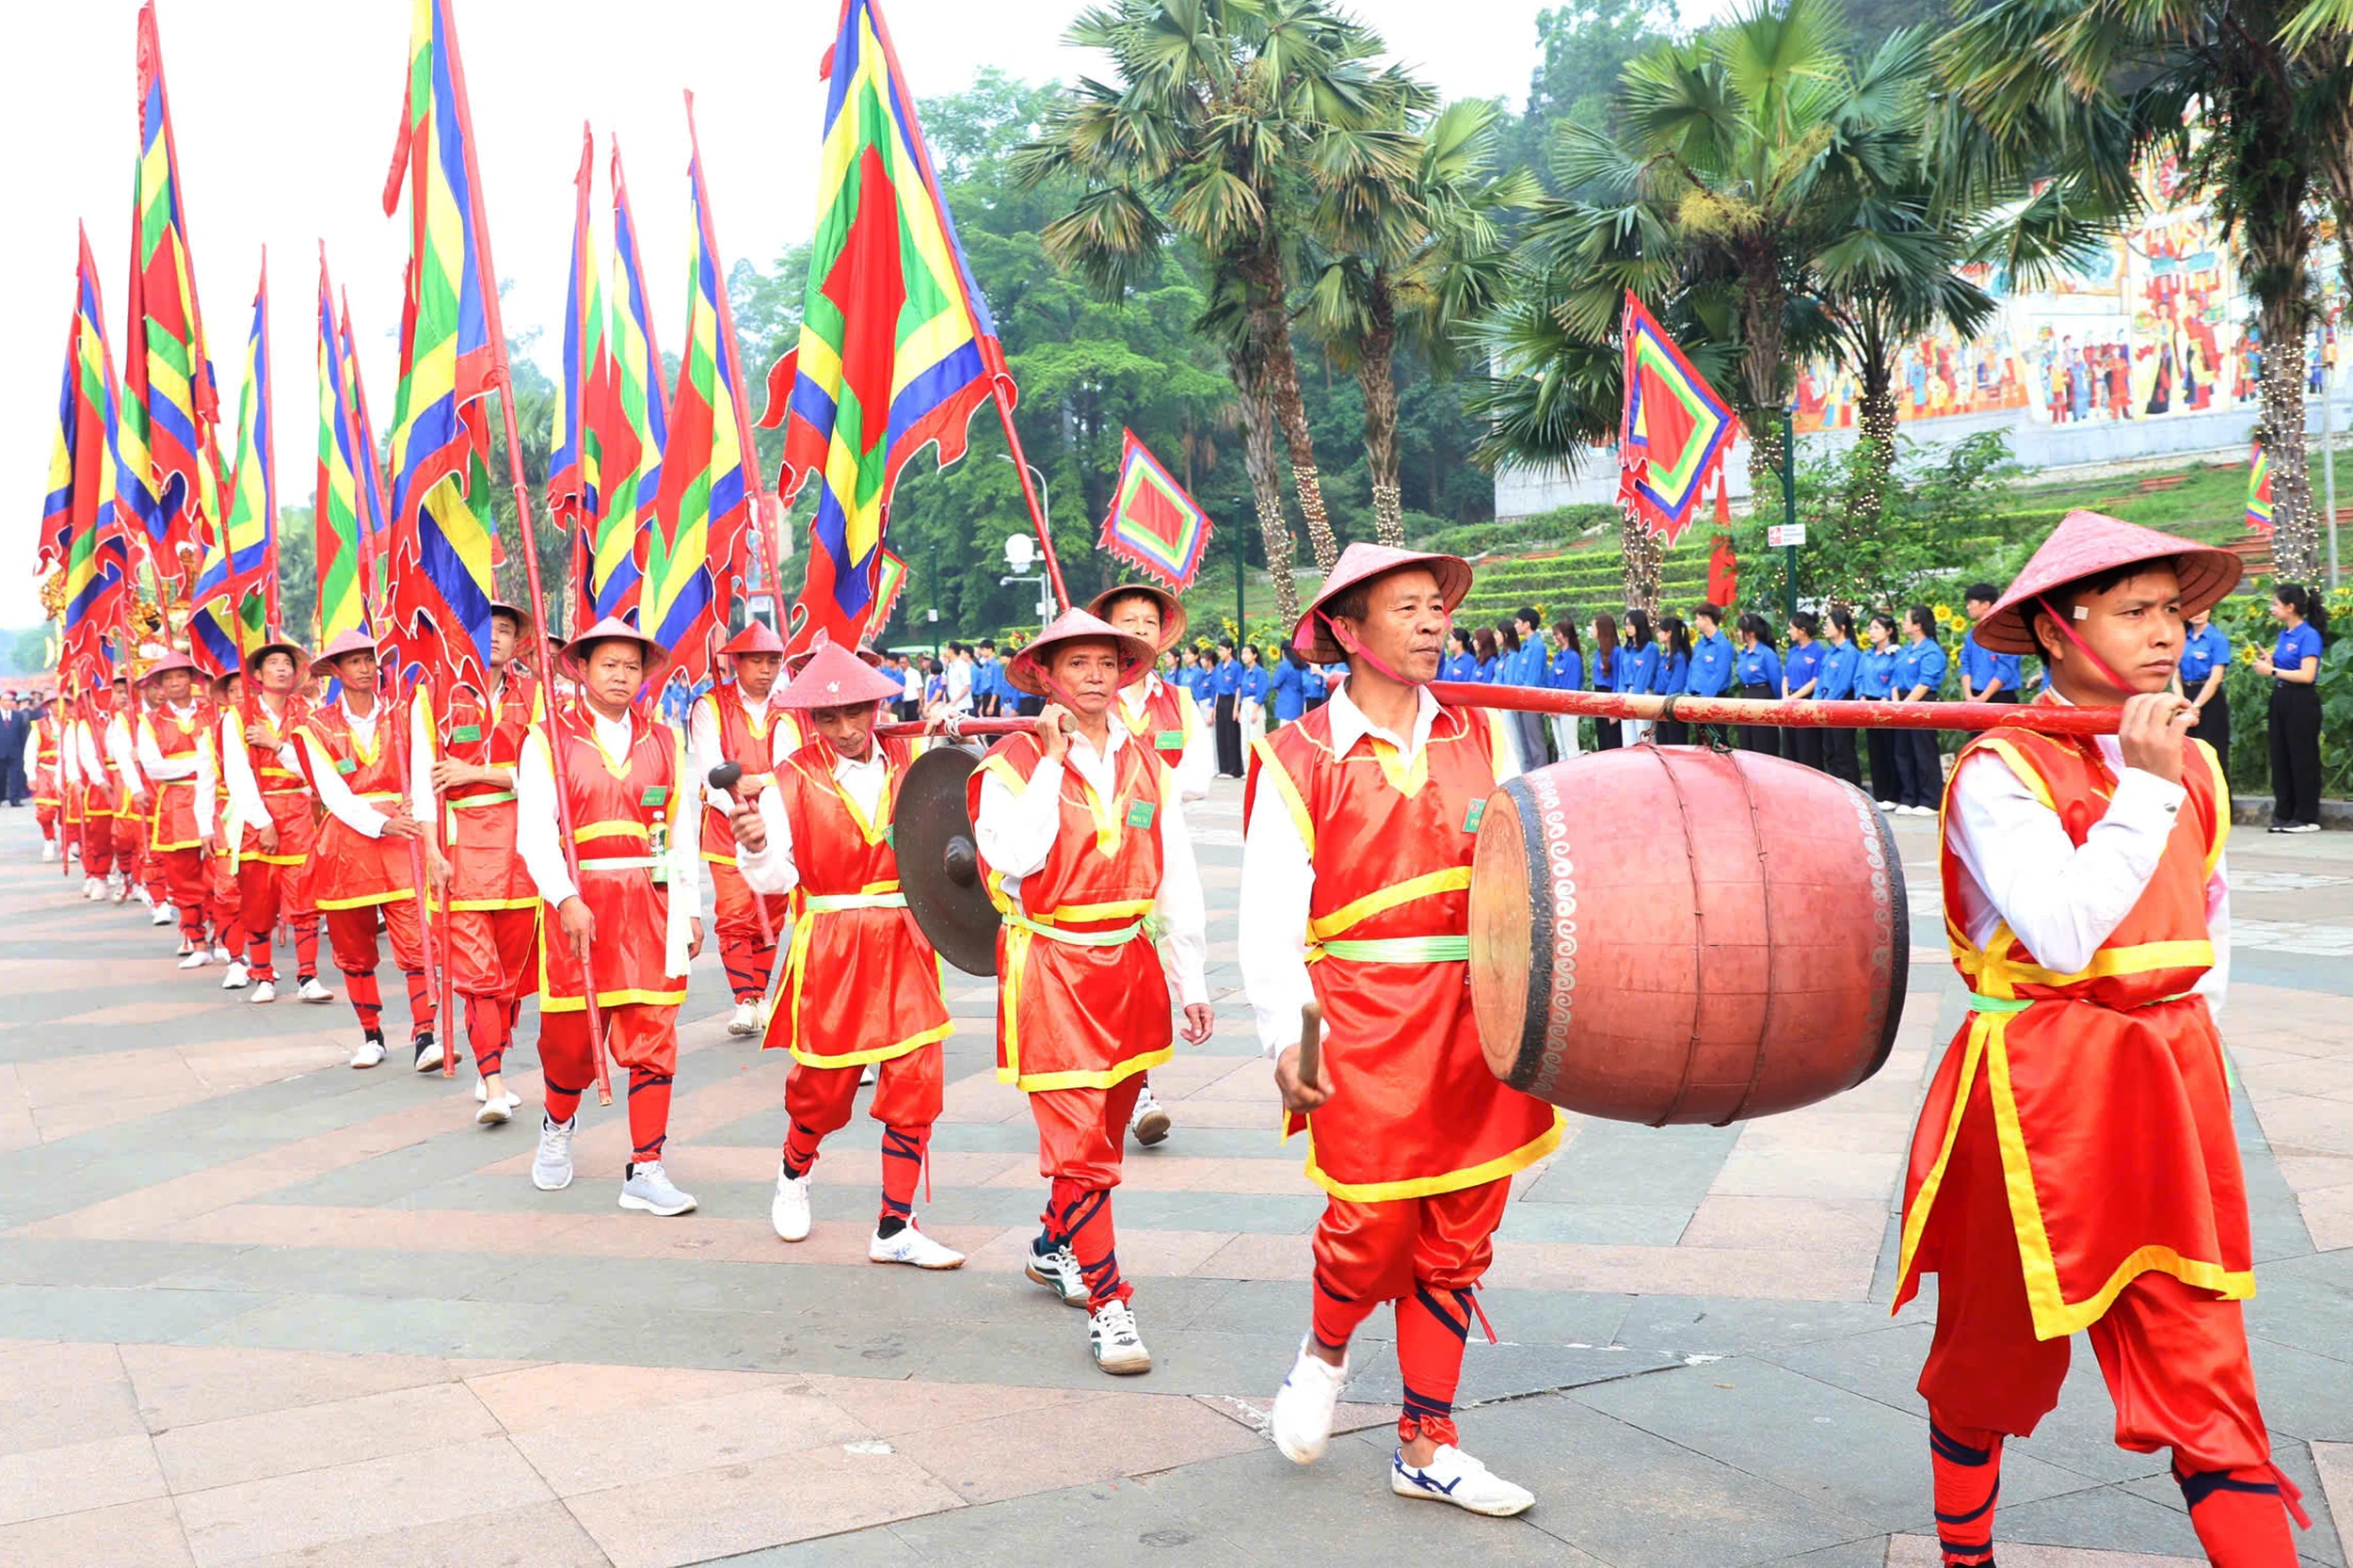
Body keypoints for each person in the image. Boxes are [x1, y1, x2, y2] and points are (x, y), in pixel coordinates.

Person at [1894, 510, 2313, 1567]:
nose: (2166, 632)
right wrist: (2146, 786)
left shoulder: (2194, 768)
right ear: (2054, 630)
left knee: (2205, 1370)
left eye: (2173, 608)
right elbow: (2068, 930)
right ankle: (1965, 1557)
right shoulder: (2002, 770)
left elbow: (2204, 936)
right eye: (2133, 611)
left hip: (2162, 1085)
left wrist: (2183, 1056)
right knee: (1988, 1352)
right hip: (2027, 1093)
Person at [1243, 543, 1558, 1518]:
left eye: (1437, 607)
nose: (1431, 623)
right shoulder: (1296, 757)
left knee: (1460, 1231)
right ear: (1346, 628)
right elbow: (1267, 919)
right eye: (1407, 607)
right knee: (1370, 1228)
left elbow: (1542, 866)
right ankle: (1324, 1355)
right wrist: (1285, 1041)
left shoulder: (1489, 735)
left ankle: (1427, 1439)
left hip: (1478, 1020)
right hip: (1361, 1023)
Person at [968, 609, 1212, 1375]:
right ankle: (1110, 1306)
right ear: (1045, 675)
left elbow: (1175, 872)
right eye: (1077, 664)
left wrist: (1191, 975)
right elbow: (1016, 854)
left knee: (1104, 1139)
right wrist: (1048, 760)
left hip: (1131, 967)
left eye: (1108, 662)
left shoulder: (1146, 760)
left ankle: (1053, 1245)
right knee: (1079, 1152)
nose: (1096, 677)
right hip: (1053, 968)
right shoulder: (1005, 765)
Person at [726, 643, 965, 1268]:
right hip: (831, 942)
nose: (846, 730)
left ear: (879, 704)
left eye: (857, 712)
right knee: (824, 1092)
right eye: (828, 719)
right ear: (809, 719)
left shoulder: (918, 761)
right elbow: (777, 878)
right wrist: (752, 848)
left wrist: (963, 742)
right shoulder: (788, 778)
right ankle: (793, 1172)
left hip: (905, 938)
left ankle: (895, 1226)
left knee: (916, 1083)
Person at [519, 616, 705, 1215]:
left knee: (654, 1037)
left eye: (631, 666)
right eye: (609, 665)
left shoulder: (666, 740)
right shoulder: (548, 737)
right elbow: (534, 834)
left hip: (650, 905)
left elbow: (684, 831)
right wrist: (564, 896)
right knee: (572, 1045)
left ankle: (646, 1167)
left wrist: (689, 907)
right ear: (582, 668)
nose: (621, 676)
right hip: (581, 907)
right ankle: (557, 1123)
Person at [1091, 583, 1209, 1150]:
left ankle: (1135, 1088)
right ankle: (1124, 1092)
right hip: (1097, 854)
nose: (1138, 629)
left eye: (1146, 621)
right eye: (1127, 620)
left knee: (1152, 970)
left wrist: (1146, 792)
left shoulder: (1180, 701)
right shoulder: (1086, 699)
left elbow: (1197, 778)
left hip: (1162, 845)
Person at [289, 631, 438, 1069]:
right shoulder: (313, 728)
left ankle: (425, 1034)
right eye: (353, 662)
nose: (365, 668)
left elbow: (421, 767)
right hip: (348, 845)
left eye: (371, 660)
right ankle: (371, 1035)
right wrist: (381, 822)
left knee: (415, 941)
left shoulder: (405, 711)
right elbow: (332, 794)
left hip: (401, 839)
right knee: (352, 946)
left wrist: (414, 811)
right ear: (335, 671)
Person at [419, 603, 541, 1124]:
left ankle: (490, 1052)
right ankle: (494, 1083)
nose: (494, 638)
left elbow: (542, 776)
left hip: (521, 850)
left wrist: (479, 772)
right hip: (461, 851)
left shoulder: (536, 698)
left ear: (518, 641)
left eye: (505, 630)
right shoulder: (433, 697)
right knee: (479, 976)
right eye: (484, 629)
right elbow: (423, 781)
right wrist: (430, 851)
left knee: (511, 979)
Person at [689, 621, 800, 1035]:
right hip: (726, 826)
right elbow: (709, 772)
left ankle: (760, 993)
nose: (766, 670)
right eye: (757, 661)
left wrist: (762, 787)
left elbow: (792, 768)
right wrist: (738, 804)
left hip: (777, 824)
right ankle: (745, 998)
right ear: (737, 662)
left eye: (773, 660)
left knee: (771, 911)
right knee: (735, 914)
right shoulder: (709, 706)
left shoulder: (790, 708)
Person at [218, 636, 332, 1006]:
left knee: (304, 897)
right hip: (258, 813)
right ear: (257, 673)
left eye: (287, 663)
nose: (282, 668)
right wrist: (261, 820)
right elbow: (237, 774)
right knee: (258, 900)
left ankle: (308, 976)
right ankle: (263, 975)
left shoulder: (308, 715)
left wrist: (275, 745)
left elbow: (314, 767)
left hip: (299, 812)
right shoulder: (237, 717)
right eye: (273, 663)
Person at [132, 652, 223, 965]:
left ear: (192, 679)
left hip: (213, 800)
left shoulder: (214, 713)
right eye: (167, 679)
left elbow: (223, 755)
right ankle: (195, 940)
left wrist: (193, 766)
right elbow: (154, 767)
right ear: (160, 685)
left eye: (180, 676)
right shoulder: (150, 722)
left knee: (218, 872)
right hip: (175, 804)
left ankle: (222, 934)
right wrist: (200, 763)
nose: (174, 683)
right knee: (183, 876)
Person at [2256, 584, 2328, 833]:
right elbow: (2287, 664)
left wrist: (2273, 671)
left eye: (2275, 604)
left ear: (2291, 607)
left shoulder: (2309, 635)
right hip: (2281, 697)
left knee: (2302, 757)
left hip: (2301, 700)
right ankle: (2284, 813)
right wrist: (2271, 661)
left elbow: (2307, 675)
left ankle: (2306, 816)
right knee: (2281, 754)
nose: (2271, 608)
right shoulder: (2285, 634)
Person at [1890, 606, 1949, 814]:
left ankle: (1930, 800)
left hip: (1922, 702)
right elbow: (1895, 678)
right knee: (1903, 751)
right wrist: (1897, 702)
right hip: (1902, 702)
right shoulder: (1906, 649)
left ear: (1918, 625)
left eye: (1906, 620)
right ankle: (1909, 797)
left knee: (1923, 751)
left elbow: (1925, 682)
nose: (1903, 623)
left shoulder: (1931, 650)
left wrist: (1905, 706)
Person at [2174, 605, 2233, 780]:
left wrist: (2196, 706)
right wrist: (2182, 702)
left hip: (2209, 699)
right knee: (2186, 754)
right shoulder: (2182, 638)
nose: (2198, 612)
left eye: (2203, 608)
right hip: (2185, 697)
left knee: (2214, 754)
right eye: (2193, 609)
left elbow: (2216, 678)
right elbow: (2175, 675)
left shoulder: (2217, 639)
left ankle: (2220, 806)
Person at [1815, 610, 1864, 786]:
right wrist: (1816, 701)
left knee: (1843, 750)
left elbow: (1843, 683)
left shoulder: (1850, 652)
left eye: (1828, 624)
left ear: (1841, 627)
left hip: (1841, 704)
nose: (1825, 627)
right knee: (1830, 750)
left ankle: (1851, 788)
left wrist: (1826, 703)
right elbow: (1821, 679)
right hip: (1826, 704)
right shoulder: (1830, 652)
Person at [1959, 584, 2021, 706]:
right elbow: (1965, 663)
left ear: (1986, 605)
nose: (1968, 607)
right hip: (1973, 695)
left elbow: (2005, 670)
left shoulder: (2006, 633)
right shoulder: (1971, 635)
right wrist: (1968, 695)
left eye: (1971, 603)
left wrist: (1983, 698)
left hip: (2001, 697)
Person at [1685, 603, 1736, 746]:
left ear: (1707, 619)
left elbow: (1720, 676)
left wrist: (1705, 698)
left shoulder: (1723, 645)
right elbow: (1692, 669)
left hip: (1714, 700)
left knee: (1717, 741)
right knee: (1701, 742)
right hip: (1696, 699)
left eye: (1698, 619)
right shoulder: (1700, 644)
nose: (1696, 622)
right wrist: (1687, 692)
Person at [1509, 606, 1553, 768]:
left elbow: (1532, 679)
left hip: (1530, 700)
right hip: (1520, 700)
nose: (1515, 626)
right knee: (1524, 742)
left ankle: (1539, 776)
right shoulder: (1526, 646)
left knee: (1535, 742)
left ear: (1527, 624)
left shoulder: (1537, 646)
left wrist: (1522, 697)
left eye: (1518, 622)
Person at [1782, 612, 1826, 770]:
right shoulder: (1793, 651)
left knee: (1808, 749)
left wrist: (1793, 697)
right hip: (1789, 703)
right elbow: (1785, 676)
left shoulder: (1818, 651)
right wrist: (1786, 696)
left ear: (1802, 630)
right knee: (1790, 748)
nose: (1789, 631)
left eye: (1791, 628)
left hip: (1806, 701)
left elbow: (1815, 680)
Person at [1732, 614, 1782, 755]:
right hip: (1747, 694)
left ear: (1751, 633)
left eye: (1740, 630)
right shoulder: (1742, 654)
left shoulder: (1766, 654)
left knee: (1763, 742)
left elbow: (1776, 681)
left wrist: (1776, 703)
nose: (1738, 633)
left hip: (1763, 696)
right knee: (1746, 741)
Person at [29, 697, 65, 859]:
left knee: (69, 812)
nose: (58, 706)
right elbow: (30, 752)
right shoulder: (39, 725)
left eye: (62, 702)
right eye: (54, 703)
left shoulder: (73, 723)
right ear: (49, 706)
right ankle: (49, 840)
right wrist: (30, 775)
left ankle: (69, 844)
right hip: (45, 771)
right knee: (45, 812)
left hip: (66, 772)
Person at [1652, 615, 1692, 744]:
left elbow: (1676, 685)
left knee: (1675, 744)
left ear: (1669, 633)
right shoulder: (1665, 656)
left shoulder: (1679, 657)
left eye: (1660, 631)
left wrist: (1665, 702)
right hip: (1661, 705)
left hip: (1672, 707)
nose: (1657, 634)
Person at [1547, 619, 1585, 760]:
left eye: (1557, 634)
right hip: (1555, 707)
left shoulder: (1573, 658)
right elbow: (1552, 682)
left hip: (1567, 708)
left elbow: (1572, 686)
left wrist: (1560, 707)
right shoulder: (1558, 657)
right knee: (1561, 749)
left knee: (1571, 747)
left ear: (1566, 635)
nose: (1554, 638)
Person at [1621, 608, 1657, 746]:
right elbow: (1621, 676)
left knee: (1643, 736)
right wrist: (1621, 697)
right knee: (1628, 738)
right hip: (1627, 694)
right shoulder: (1626, 650)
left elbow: (1644, 676)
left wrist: (1634, 698)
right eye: (1626, 625)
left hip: (1643, 695)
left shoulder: (1650, 648)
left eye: (1630, 624)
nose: (1627, 628)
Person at [1210, 638, 1244, 778]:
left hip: (1232, 700)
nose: (1220, 653)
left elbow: (1238, 688)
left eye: (1222, 650)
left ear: (1230, 650)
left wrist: (1236, 708)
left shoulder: (1236, 667)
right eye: (1219, 650)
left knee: (1231, 734)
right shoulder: (1218, 667)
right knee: (1221, 734)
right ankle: (1223, 768)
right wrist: (1214, 708)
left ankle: (1233, 769)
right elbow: (1217, 689)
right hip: (1221, 701)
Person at [1590, 614, 1624, 752]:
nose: (1591, 631)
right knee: (1601, 734)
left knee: (1612, 738)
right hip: (1599, 694)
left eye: (1593, 627)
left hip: (1610, 694)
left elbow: (1617, 679)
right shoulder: (1599, 652)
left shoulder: (1616, 652)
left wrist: (1614, 709)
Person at [1239, 643, 1271, 750]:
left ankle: (1259, 767)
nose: (1244, 656)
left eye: (1247, 653)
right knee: (1245, 739)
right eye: (1243, 653)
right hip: (1245, 705)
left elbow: (1261, 691)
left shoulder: (1260, 672)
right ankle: (1247, 766)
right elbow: (1241, 692)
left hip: (1255, 705)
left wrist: (1255, 711)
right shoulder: (1245, 672)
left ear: (1255, 655)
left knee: (1256, 738)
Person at [1271, 646, 1309, 733]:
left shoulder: (1285, 664)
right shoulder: (1301, 664)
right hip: (1298, 701)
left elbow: (1276, 683)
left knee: (1284, 732)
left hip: (1286, 702)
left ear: (1284, 652)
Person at [973, 638, 1004, 718]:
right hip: (985, 696)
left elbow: (996, 686)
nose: (981, 652)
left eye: (983, 650)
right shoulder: (985, 665)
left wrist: (991, 705)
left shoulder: (996, 665)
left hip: (993, 697)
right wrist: (982, 705)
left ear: (990, 649)